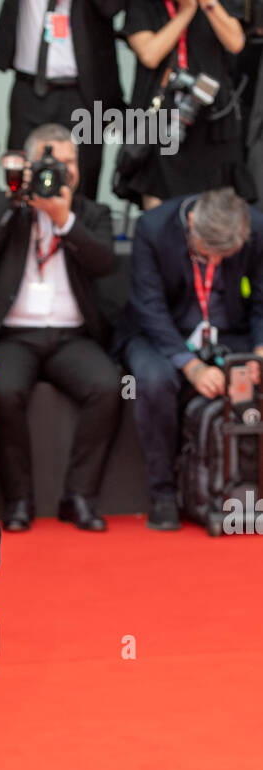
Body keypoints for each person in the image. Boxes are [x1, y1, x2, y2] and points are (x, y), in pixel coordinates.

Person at [0, 124, 120, 531]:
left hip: (73, 335)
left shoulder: (92, 212)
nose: (61, 170)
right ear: (30, 165)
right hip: (16, 335)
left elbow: (105, 262)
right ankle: (19, 500)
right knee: (3, 388)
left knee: (108, 386)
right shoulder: (4, 205)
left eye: (69, 161)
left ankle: (80, 497)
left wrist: (64, 220)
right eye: (51, 162)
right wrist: (16, 201)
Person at [114, 186, 263, 528]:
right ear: (192, 223)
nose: (214, 263)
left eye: (223, 257)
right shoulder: (153, 227)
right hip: (157, 331)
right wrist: (192, 366)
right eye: (207, 253)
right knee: (154, 380)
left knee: (253, 376)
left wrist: (257, 355)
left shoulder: (256, 227)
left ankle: (242, 489)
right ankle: (163, 493)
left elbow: (261, 301)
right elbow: (148, 307)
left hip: (229, 331)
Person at [0, 0, 125, 201]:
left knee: (82, 178)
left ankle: (73, 230)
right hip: (29, 87)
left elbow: (112, 7)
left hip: (81, 91)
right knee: (20, 174)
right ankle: (23, 230)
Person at [117, 0, 250, 208]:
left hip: (212, 116)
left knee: (216, 205)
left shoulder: (216, 4)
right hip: (161, 118)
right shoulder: (144, 5)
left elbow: (236, 43)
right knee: (159, 200)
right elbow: (150, 55)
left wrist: (207, 5)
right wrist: (186, 12)